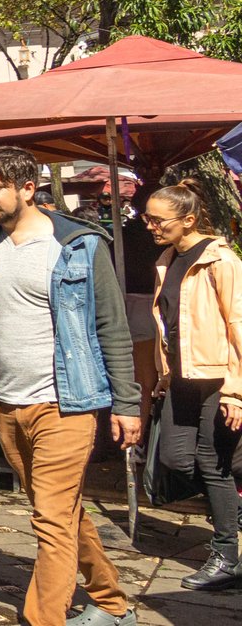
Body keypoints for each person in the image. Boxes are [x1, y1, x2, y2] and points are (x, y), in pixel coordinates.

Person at [0, 146, 139, 626]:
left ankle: (43, 619)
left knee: (50, 519)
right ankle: (111, 603)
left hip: (66, 403)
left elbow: (113, 326)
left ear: (28, 188)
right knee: (59, 511)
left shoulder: (80, 244)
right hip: (6, 405)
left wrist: (128, 404)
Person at [142, 178, 242, 590]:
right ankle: (229, 512)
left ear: (188, 219)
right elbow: (171, 324)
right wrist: (164, 375)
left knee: (213, 463)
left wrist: (237, 390)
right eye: (146, 217)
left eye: (157, 220)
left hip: (218, 377)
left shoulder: (221, 261)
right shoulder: (167, 259)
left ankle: (226, 555)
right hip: (181, 378)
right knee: (175, 459)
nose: (149, 225)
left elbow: (239, 324)